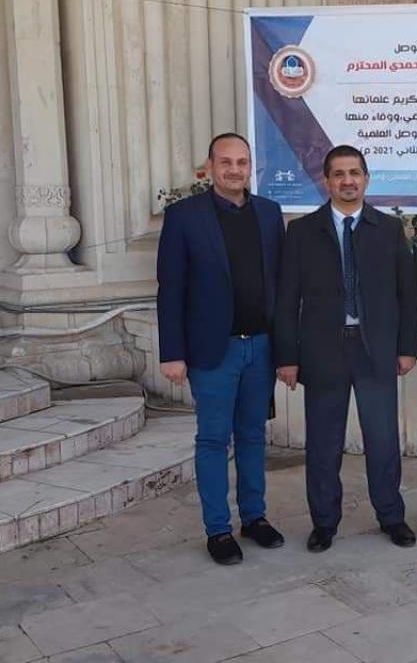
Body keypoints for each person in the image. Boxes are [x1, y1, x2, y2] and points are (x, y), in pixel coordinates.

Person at [275, 145, 417, 553]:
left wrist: (407, 347)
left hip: (375, 351)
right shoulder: (302, 232)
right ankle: (324, 522)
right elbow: (286, 299)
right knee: (323, 444)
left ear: (366, 179)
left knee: (383, 440)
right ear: (326, 181)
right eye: (338, 174)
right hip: (324, 352)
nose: (347, 180)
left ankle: (391, 516)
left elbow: (407, 294)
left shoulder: (388, 229)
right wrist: (287, 357)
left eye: (354, 173)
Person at [156, 133, 286, 565]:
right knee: (213, 439)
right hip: (213, 351)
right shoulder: (184, 217)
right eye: (225, 162)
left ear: (251, 168)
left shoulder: (269, 214)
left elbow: (280, 284)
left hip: (261, 348)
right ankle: (218, 530)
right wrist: (172, 352)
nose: (234, 170)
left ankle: (254, 517)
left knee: (253, 436)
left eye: (242, 162)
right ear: (209, 167)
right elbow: (170, 288)